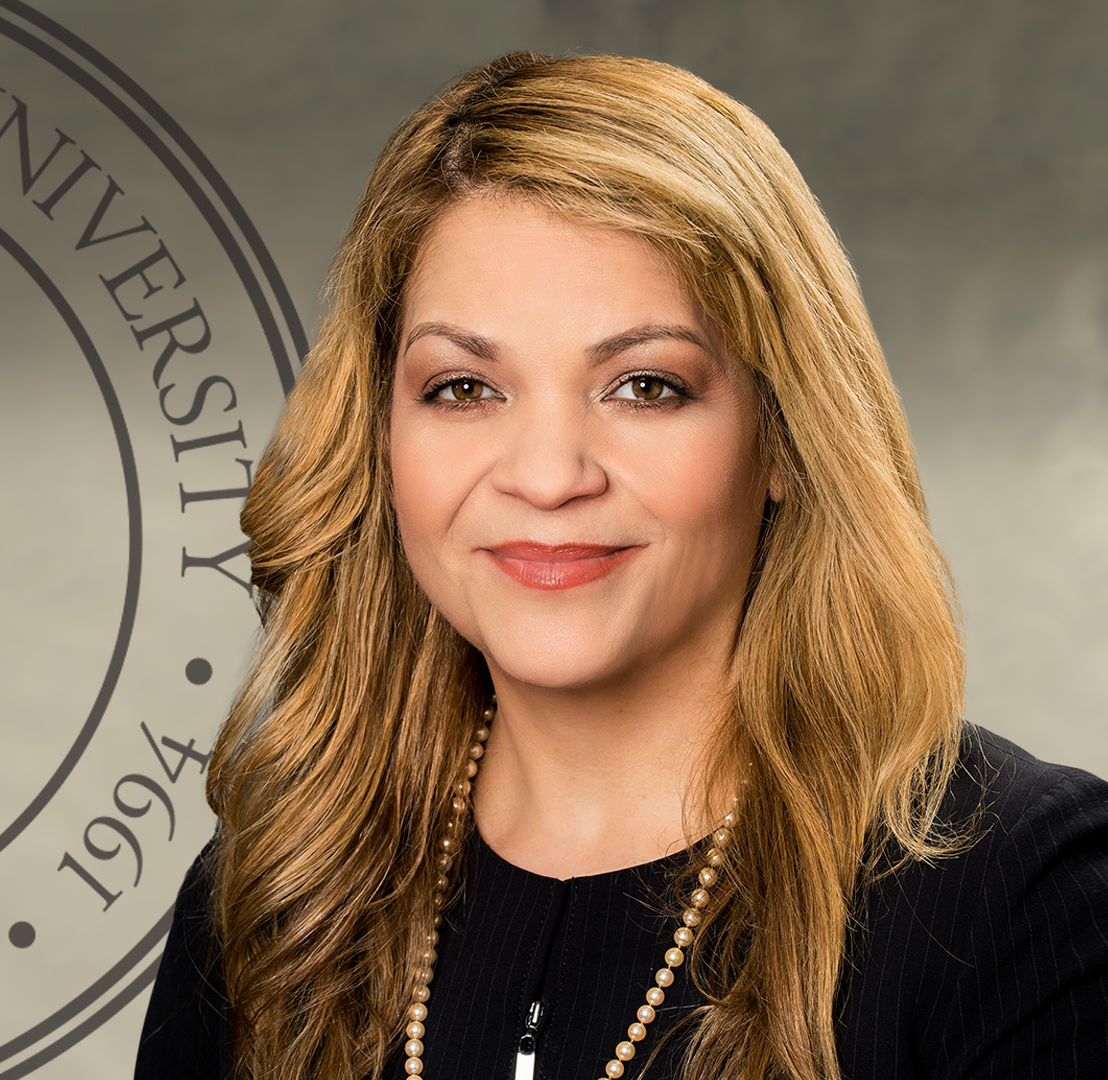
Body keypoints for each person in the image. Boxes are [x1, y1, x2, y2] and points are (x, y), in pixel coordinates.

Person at [134, 51, 1108, 1080]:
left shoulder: (1032, 903)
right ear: (380, 435)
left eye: (645, 386)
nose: (549, 477)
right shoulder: (274, 902)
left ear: (782, 437)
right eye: (464, 388)